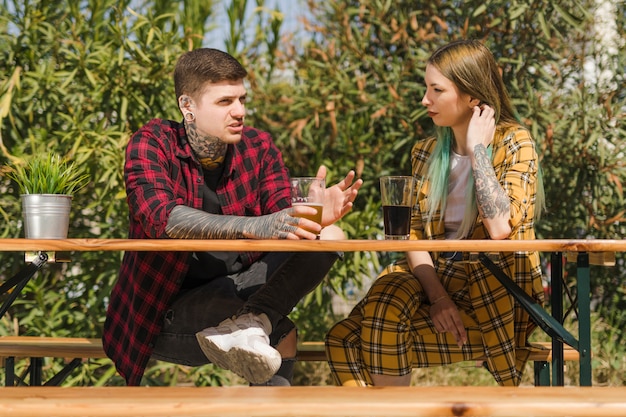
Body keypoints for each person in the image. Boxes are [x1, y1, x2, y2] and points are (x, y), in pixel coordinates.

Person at [102, 48, 362, 386]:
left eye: (241, 99)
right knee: (276, 333)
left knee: (331, 238)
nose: (239, 111)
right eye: (225, 102)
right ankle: (254, 324)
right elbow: (161, 218)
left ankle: (252, 324)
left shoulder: (258, 146)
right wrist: (257, 225)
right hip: (165, 315)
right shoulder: (153, 142)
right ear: (187, 106)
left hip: (238, 294)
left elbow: (283, 217)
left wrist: (312, 219)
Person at [325, 39, 545, 387]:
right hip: (433, 276)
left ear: (473, 97)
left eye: (436, 89)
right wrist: (438, 298)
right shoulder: (426, 151)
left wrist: (477, 151)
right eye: (426, 88)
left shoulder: (514, 142)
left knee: (354, 337)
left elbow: (500, 226)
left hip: (490, 284)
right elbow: (412, 234)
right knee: (356, 324)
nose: (424, 100)